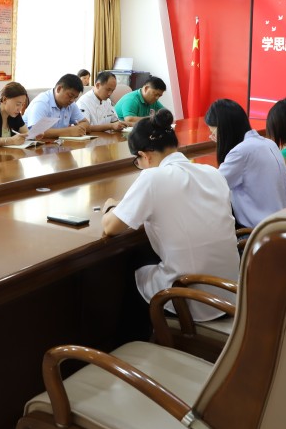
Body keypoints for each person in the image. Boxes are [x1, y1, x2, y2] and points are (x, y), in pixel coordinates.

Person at [101, 109, 240, 330]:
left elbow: (111, 227)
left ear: (145, 155)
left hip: (192, 298)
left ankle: (140, 342)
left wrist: (111, 206)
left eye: (138, 161)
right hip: (231, 293)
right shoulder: (212, 172)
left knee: (126, 270)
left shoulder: (153, 177)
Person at [204, 98, 286, 228]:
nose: (214, 139)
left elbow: (212, 186)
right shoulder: (268, 143)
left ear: (225, 130)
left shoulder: (241, 152)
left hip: (260, 231)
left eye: (214, 134)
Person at [23, 73, 90, 138]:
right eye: (70, 96)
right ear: (59, 89)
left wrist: (77, 129)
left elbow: (85, 122)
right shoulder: (42, 102)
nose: (72, 100)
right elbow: (36, 132)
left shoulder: (70, 103)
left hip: (56, 143)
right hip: (32, 143)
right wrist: (69, 131)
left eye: (75, 97)